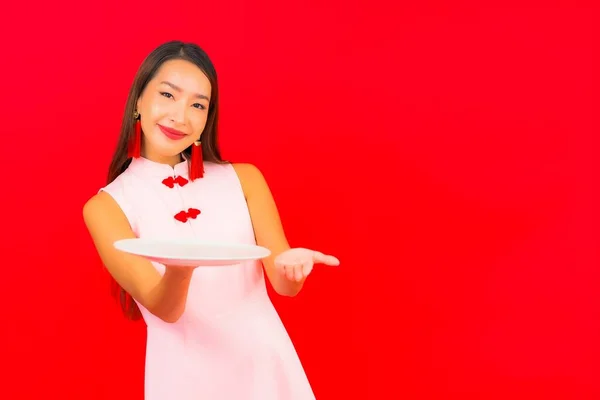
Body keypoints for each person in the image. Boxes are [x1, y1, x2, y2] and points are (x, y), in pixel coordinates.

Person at [83, 40, 339, 400]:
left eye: (197, 104)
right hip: (185, 381)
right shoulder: (106, 207)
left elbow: (283, 285)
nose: (180, 116)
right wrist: (181, 268)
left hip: (266, 372)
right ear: (138, 101)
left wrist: (292, 268)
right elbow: (164, 309)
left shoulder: (245, 179)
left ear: (207, 119)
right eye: (168, 95)